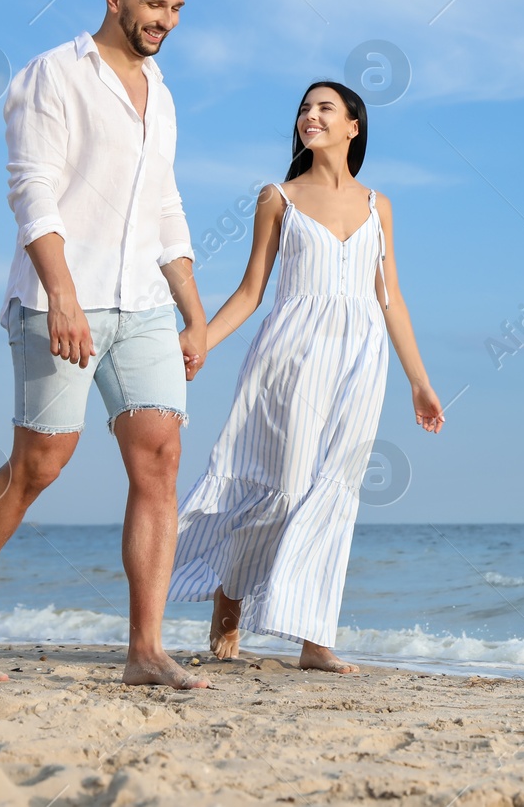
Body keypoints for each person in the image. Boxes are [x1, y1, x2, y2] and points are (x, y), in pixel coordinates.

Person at [0, 0, 211, 689]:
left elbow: (166, 205)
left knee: (159, 458)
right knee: (40, 463)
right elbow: (33, 190)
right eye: (154, 4)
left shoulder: (164, 93)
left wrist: (193, 309)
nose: (166, 21)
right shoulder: (52, 75)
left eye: (178, 8)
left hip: (144, 305)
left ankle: (146, 649)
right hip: (63, 295)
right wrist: (60, 294)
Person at [168, 80, 443, 674]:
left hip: (361, 360)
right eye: (303, 109)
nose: (309, 116)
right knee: (283, 483)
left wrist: (418, 381)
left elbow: (390, 299)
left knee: (337, 492)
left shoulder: (379, 206)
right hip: (289, 357)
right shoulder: (278, 198)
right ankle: (230, 601)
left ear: (353, 127)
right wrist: (201, 342)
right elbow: (250, 293)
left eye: (325, 108)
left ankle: (314, 638)